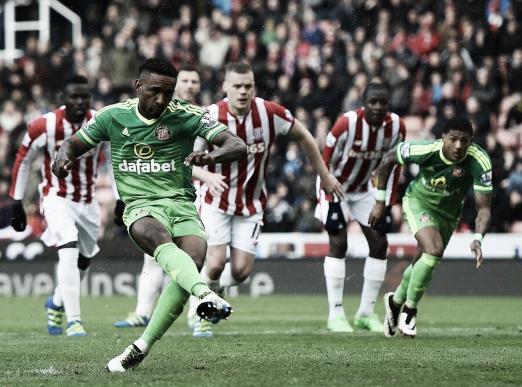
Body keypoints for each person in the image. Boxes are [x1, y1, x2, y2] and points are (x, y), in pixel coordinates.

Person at [51, 57, 247, 372]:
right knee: (156, 237)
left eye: (168, 94)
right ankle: (204, 294)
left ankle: (140, 347)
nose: (161, 100)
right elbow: (71, 145)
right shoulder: (112, 117)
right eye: (155, 91)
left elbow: (237, 145)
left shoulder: (187, 116)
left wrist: (211, 156)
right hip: (140, 205)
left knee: (194, 259)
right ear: (138, 86)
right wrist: (61, 158)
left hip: (181, 204)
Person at [188, 60, 344, 337]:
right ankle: (202, 312)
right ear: (226, 87)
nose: (243, 91)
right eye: (237, 86)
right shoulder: (210, 115)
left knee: (240, 272)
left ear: (254, 87)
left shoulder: (269, 113)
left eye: (248, 86)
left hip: (251, 204)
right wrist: (207, 176)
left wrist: (326, 176)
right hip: (215, 200)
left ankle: (213, 289)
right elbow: (188, 159)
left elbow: (306, 137)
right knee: (214, 262)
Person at [112, 67, 228, 328]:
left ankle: (195, 312)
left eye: (194, 80)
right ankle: (143, 311)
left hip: (192, 195)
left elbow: (192, 157)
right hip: (157, 195)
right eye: (185, 80)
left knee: (195, 256)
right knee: (155, 256)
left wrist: (205, 174)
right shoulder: (146, 114)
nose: (189, 85)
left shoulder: (199, 116)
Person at [369, 116, 492, 338]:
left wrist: (478, 238)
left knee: (423, 261)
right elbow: (388, 159)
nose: (458, 146)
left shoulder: (480, 161)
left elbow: (484, 208)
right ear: (443, 137)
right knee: (433, 250)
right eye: (453, 139)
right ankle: (409, 312)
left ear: (471, 141)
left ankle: (395, 302)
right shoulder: (425, 150)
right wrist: (380, 202)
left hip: (449, 214)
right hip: (418, 202)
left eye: (464, 141)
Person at [9, 75, 102, 337]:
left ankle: (56, 302)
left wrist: (119, 198)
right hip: (56, 197)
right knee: (68, 247)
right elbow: (22, 160)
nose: (80, 101)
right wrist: (17, 201)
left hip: (88, 201)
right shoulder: (45, 125)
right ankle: (74, 321)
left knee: (84, 261)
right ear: (63, 99)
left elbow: (115, 158)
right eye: (75, 96)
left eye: (85, 96)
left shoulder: (99, 122)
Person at [316, 81, 406, 333]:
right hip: (335, 183)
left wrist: (385, 202)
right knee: (338, 242)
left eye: (383, 102)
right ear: (363, 103)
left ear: (389, 104)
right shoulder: (346, 124)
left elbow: (394, 166)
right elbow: (324, 161)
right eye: (373, 102)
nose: (378, 107)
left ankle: (365, 314)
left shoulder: (397, 127)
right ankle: (335, 314)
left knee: (379, 243)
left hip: (366, 188)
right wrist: (328, 187)